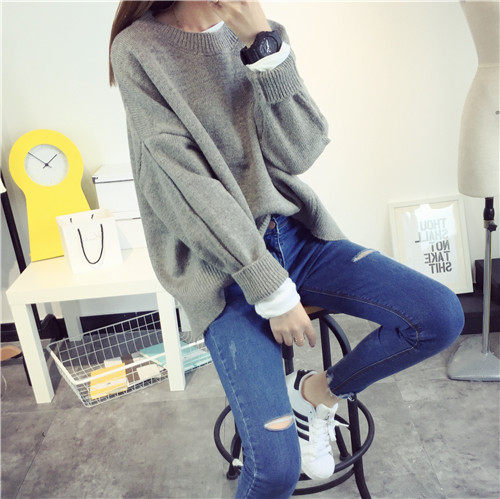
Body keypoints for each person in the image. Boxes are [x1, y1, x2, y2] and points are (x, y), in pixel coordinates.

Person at [109, 2, 465, 497]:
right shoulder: (138, 49)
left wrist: (264, 48)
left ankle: (316, 392)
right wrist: (272, 290)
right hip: (222, 270)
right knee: (275, 470)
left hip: (295, 238)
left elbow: (301, 150)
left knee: (439, 315)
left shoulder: (256, 32)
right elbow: (185, 188)